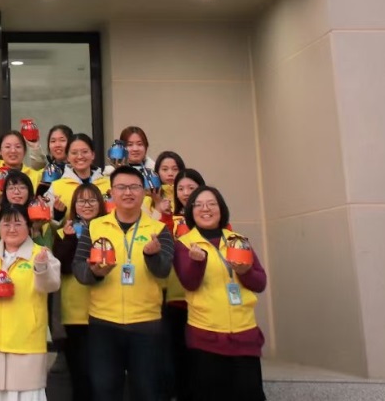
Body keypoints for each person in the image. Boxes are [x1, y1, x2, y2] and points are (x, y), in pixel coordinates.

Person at [72, 166, 174, 401]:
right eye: (121, 187)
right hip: (103, 324)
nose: (128, 192)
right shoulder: (94, 227)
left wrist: (152, 256)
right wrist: (95, 272)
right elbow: (79, 269)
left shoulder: (159, 230)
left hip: (146, 325)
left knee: (147, 392)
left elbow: (164, 271)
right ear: (111, 192)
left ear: (144, 192)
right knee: (105, 391)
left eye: (134, 187)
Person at [173, 187, 267, 401]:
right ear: (191, 211)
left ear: (221, 209)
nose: (205, 209)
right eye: (198, 205)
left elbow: (260, 283)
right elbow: (189, 283)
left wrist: (245, 271)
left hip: (244, 335)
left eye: (211, 204)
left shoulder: (238, 240)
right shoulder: (185, 244)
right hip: (206, 337)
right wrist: (198, 263)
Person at [0, 204, 61, 401]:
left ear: (29, 226)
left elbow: (52, 284)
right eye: (6, 224)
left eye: (18, 224)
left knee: (27, 394)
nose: (11, 229)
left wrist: (41, 267)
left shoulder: (40, 253)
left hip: (27, 342)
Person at [52, 183, 105, 401]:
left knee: (102, 375)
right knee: (79, 375)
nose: (87, 205)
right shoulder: (63, 231)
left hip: (104, 311)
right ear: (74, 205)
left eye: (92, 200)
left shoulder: (109, 230)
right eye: (81, 201)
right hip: (74, 313)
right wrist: (70, 239)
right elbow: (61, 267)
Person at [162, 168, 206, 401]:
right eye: (181, 188)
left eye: (191, 187)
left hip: (206, 298)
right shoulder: (170, 219)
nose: (186, 193)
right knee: (177, 354)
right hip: (176, 297)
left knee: (201, 357)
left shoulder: (211, 218)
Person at [0, 170, 55, 248]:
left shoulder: (41, 219)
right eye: (11, 188)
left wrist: (36, 231)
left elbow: (47, 252)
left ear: (29, 191)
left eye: (22, 187)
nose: (17, 192)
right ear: (5, 193)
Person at [49, 135, 110, 212]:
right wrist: (58, 216)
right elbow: (46, 218)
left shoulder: (109, 184)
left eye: (85, 152)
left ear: (93, 155)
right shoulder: (56, 187)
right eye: (74, 153)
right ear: (68, 157)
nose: (80, 156)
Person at [0, 131, 42, 199]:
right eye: (8, 147)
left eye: (18, 147)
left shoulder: (37, 176)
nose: (13, 150)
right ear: (0, 151)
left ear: (25, 151)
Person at [152, 151, 185, 226]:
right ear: (157, 172)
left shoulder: (187, 196)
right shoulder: (148, 199)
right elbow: (149, 228)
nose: (170, 174)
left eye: (175, 169)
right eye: (165, 169)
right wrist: (158, 205)